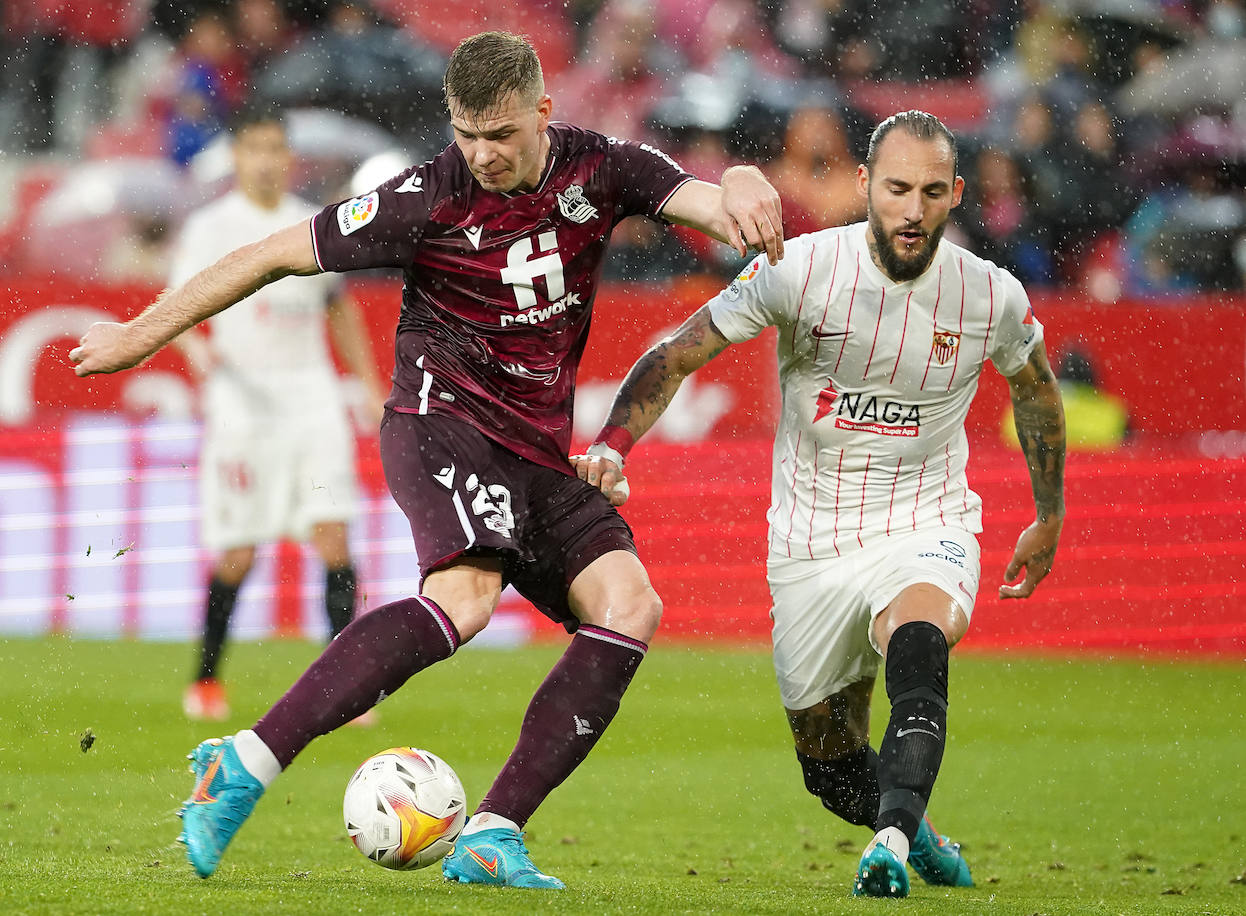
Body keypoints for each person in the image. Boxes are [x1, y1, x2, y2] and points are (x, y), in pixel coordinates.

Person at [70, 31, 783, 889]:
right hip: (440, 421)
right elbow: (269, 256)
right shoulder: (422, 196)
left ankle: (492, 835)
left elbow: (710, 203)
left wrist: (741, 179)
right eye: (467, 133)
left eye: (502, 135)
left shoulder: (603, 168)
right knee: (466, 596)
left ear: (543, 113)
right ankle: (246, 762)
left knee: (630, 604)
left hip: (536, 450)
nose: (482, 154)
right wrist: (137, 339)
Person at [572, 110, 1065, 898]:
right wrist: (610, 446)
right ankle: (916, 830)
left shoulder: (988, 295)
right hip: (811, 542)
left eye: (932, 192)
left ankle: (895, 840)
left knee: (918, 633)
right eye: (897, 188)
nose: (912, 209)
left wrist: (1049, 513)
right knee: (830, 770)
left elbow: (1036, 385)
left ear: (956, 196)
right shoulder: (799, 270)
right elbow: (676, 355)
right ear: (865, 185)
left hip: (926, 518)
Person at [168, 105, 385, 722]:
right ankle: (206, 679)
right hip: (241, 402)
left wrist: (368, 386)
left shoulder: (313, 224)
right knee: (238, 549)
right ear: (236, 157)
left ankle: (346, 683)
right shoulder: (212, 228)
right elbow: (177, 305)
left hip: (311, 397)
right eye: (254, 148)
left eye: (275, 149)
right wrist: (195, 352)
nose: (266, 160)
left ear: (289, 159)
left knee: (333, 535)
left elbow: (339, 306)